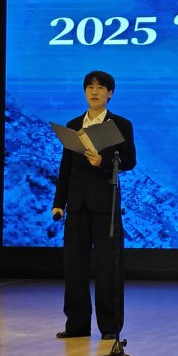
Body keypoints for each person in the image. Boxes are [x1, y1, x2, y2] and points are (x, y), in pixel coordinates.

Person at [52, 70, 136, 340]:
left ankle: (110, 327)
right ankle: (77, 325)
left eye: (100, 87)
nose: (94, 91)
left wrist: (103, 162)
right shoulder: (74, 124)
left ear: (110, 93)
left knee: (108, 267)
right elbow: (66, 167)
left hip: (105, 205)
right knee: (74, 266)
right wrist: (59, 202)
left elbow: (130, 160)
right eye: (90, 87)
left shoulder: (120, 124)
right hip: (77, 205)